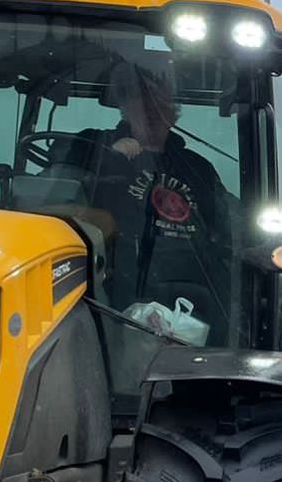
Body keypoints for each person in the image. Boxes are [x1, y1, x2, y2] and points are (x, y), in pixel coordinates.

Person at [83, 61, 230, 315]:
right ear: (126, 109)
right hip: (103, 286)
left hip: (186, 296)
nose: (152, 112)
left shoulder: (198, 169)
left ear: (173, 113)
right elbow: (65, 200)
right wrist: (109, 160)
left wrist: (254, 246)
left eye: (160, 105)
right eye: (143, 104)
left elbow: (226, 223)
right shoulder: (92, 147)